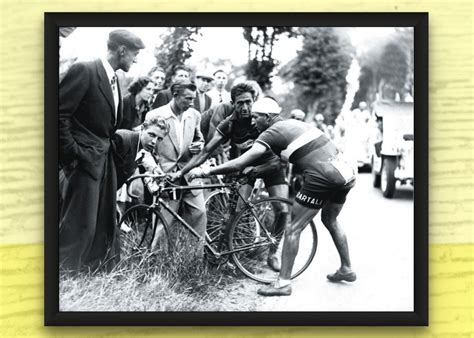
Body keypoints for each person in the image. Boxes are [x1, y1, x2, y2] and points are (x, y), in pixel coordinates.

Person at [188, 98, 357, 296]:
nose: (252, 122)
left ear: (268, 118)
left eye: (256, 117)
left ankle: (283, 283)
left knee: (293, 228)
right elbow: (278, 162)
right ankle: (346, 268)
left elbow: (239, 163)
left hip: (323, 175)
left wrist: (206, 172)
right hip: (346, 173)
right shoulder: (295, 124)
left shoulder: (271, 132)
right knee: (330, 219)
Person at [59, 29, 145, 273]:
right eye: (135, 54)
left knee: (104, 220)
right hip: (84, 160)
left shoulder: (115, 80)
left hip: (103, 159)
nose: (135, 59)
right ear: (122, 50)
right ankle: (65, 275)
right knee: (78, 222)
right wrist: (73, 155)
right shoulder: (85, 70)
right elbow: (59, 113)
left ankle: (93, 270)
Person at [174, 91, 290, 271]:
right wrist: (182, 171)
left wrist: (259, 169)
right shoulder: (229, 123)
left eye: (249, 103)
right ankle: (225, 255)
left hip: (271, 165)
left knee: (282, 210)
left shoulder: (266, 118)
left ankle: (273, 252)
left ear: (255, 102)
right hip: (246, 167)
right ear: (233, 104)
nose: (245, 108)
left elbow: (282, 158)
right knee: (235, 212)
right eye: (240, 103)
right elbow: (206, 152)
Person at [145, 80, 207, 245]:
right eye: (188, 98)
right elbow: (146, 150)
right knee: (163, 222)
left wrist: (198, 145)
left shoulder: (194, 115)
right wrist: (156, 171)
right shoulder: (155, 116)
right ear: (175, 95)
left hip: (190, 176)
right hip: (167, 177)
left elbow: (199, 139)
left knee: (199, 215)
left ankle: (194, 262)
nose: (192, 103)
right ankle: (156, 263)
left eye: (193, 99)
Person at [113, 118, 170, 217]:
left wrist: (157, 172)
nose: (154, 142)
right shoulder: (122, 139)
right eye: (152, 135)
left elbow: (146, 158)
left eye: (159, 139)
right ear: (142, 128)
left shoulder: (142, 147)